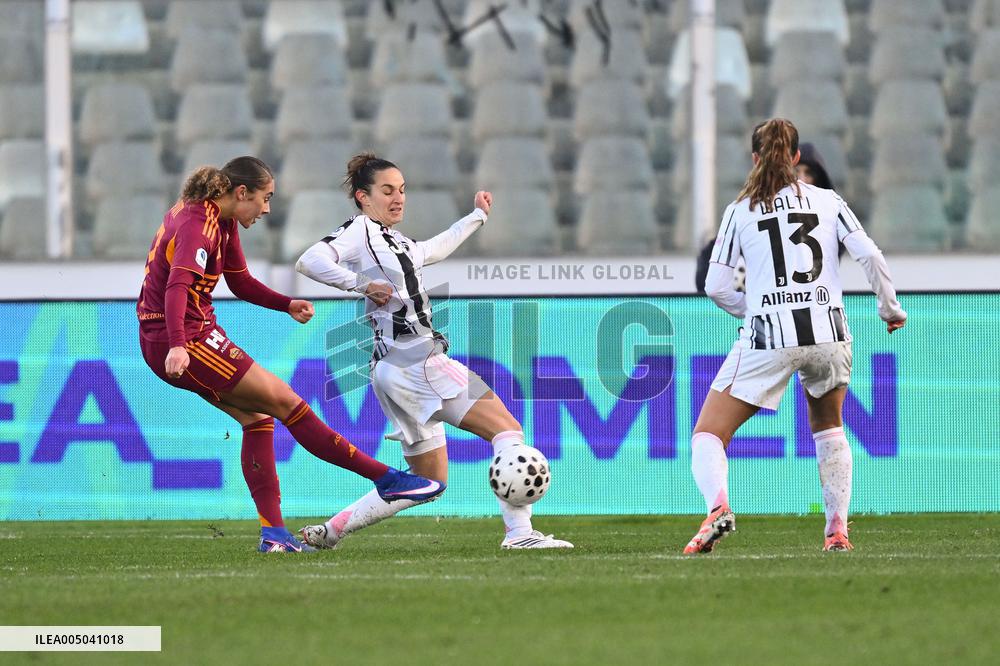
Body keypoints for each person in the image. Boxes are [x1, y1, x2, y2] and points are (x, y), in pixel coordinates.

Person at [137, 156, 446, 553]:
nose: (267, 209)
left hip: (182, 334)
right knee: (289, 404)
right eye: (264, 199)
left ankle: (274, 535)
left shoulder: (219, 218)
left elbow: (241, 282)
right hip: (183, 339)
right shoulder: (201, 224)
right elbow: (177, 286)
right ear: (241, 192)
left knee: (258, 418)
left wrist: (286, 305)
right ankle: (386, 478)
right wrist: (179, 344)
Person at [294, 152, 573, 550]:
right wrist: (359, 283)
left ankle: (330, 532)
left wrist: (475, 218)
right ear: (363, 197)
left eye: (402, 190)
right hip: (418, 361)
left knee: (429, 482)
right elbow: (310, 261)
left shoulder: (392, 239)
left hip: (392, 369)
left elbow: (430, 251)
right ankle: (520, 534)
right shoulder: (360, 231)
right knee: (508, 431)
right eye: (387, 191)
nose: (398, 198)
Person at [684, 119, 907, 554]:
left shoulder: (740, 210)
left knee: (708, 435)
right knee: (829, 428)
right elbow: (869, 254)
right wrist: (889, 308)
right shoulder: (828, 200)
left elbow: (716, 285)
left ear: (754, 159)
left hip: (770, 335)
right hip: (830, 330)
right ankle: (837, 531)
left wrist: (755, 310)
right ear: (797, 157)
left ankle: (718, 507)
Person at [695, 141, 835, 294]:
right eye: (796, 171)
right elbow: (708, 279)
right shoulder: (752, 214)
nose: (801, 180)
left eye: (808, 173)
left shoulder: (830, 223)